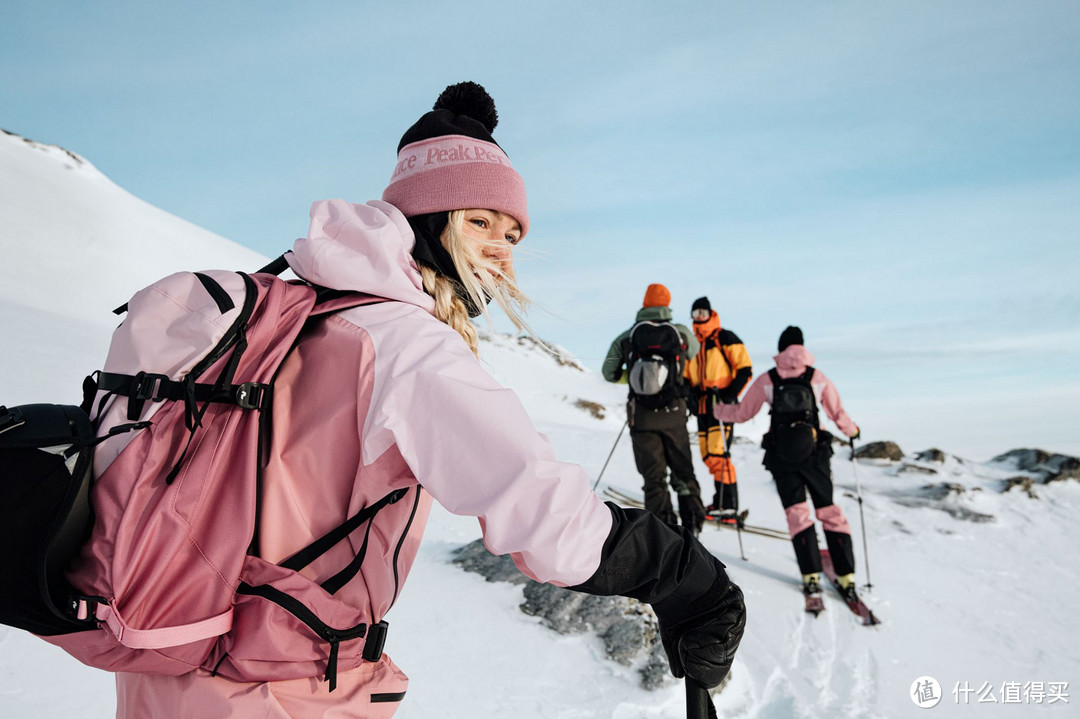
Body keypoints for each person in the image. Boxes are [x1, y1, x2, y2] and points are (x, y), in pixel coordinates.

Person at [113, 82, 744, 718]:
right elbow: (543, 513)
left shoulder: (306, 313)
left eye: (513, 234)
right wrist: (689, 579)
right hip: (278, 689)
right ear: (427, 222)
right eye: (479, 223)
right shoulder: (403, 344)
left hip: (167, 659)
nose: (501, 248)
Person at [714, 325, 861, 601]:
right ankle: (847, 575)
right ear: (802, 348)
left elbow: (744, 414)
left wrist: (717, 410)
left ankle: (811, 576)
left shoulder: (768, 379)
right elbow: (837, 412)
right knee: (829, 511)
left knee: (798, 514)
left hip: (782, 456)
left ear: (781, 349)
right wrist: (852, 431)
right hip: (815, 455)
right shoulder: (817, 377)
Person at [601, 285, 707, 535]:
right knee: (683, 472)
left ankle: (664, 532)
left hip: (643, 418)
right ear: (667, 305)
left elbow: (609, 373)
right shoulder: (679, 333)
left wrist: (636, 379)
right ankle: (693, 527)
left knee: (654, 478)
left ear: (644, 304)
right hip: (674, 414)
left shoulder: (627, 337)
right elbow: (694, 352)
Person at [683, 297, 752, 524]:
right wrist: (689, 395)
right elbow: (686, 375)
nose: (699, 317)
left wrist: (729, 394)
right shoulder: (692, 344)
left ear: (711, 313)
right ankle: (720, 500)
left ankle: (729, 505)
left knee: (719, 454)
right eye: (695, 313)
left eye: (703, 312)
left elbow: (745, 369)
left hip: (722, 408)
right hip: (702, 407)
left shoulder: (725, 337)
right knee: (707, 455)